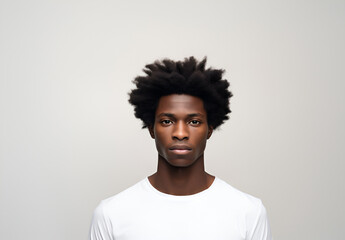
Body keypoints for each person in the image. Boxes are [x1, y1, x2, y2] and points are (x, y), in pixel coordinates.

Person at [88, 57, 272, 240]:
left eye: (194, 121)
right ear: (152, 129)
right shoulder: (111, 215)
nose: (180, 133)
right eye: (167, 121)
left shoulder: (249, 213)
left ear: (209, 129)